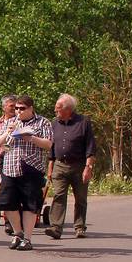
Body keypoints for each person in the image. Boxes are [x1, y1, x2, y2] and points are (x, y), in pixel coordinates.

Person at [0, 95, 52, 251]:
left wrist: (31, 138)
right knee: (6, 202)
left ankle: (27, 238)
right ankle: (17, 232)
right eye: (16, 108)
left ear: (31, 108)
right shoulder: (11, 122)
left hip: (31, 168)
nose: (18, 111)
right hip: (10, 168)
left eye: (22, 108)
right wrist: (8, 132)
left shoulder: (42, 122)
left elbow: (48, 144)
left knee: (30, 205)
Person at [46, 94, 96, 240]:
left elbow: (90, 146)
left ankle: (80, 227)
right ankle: (56, 227)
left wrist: (88, 167)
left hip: (79, 165)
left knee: (80, 197)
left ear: (68, 109)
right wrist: (50, 166)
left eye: (58, 110)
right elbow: (51, 146)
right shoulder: (54, 123)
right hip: (59, 165)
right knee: (58, 196)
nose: (55, 113)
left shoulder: (83, 122)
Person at [0, 95, 18, 236]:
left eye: (15, 105)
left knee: (10, 190)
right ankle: (6, 215)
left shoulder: (19, 122)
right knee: (4, 188)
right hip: (1, 160)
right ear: (4, 107)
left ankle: (10, 221)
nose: (14, 108)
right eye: (11, 106)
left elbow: (10, 144)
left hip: (15, 158)